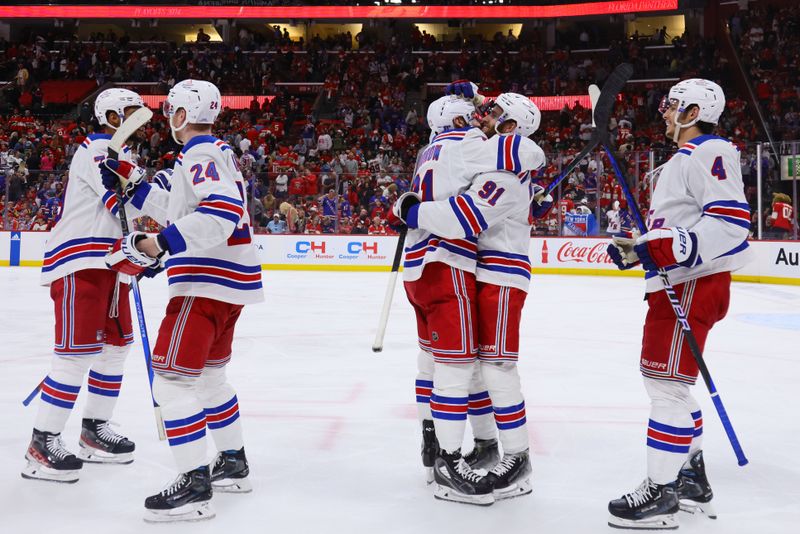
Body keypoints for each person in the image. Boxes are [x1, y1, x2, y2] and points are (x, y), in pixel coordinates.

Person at [101, 79, 264, 522]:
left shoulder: (200, 154)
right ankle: (232, 463)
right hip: (227, 285)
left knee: (172, 383)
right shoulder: (217, 153)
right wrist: (133, 182)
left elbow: (220, 213)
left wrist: (156, 246)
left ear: (178, 115)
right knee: (211, 380)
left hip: (202, 284)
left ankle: (194, 484)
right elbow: (182, 208)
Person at [392, 90, 551, 502]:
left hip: (500, 275)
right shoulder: (488, 155)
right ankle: (485, 445)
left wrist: (413, 212)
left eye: (495, 113)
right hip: (478, 270)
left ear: (512, 127)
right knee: (475, 368)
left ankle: (517, 458)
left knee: (495, 367)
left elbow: (465, 217)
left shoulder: (502, 170)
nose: (485, 116)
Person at [606, 78, 750, 530]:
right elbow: (677, 230)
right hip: (682, 280)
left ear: (692, 112)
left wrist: (665, 249)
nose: (664, 112)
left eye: (671, 106)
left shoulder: (709, 151)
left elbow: (731, 223)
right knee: (668, 384)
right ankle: (689, 479)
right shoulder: (686, 158)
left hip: (693, 282)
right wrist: (640, 249)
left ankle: (662, 492)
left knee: (666, 387)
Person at [21, 88, 146, 484]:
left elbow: (134, 208)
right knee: (75, 356)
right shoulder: (96, 148)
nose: (135, 118)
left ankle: (94, 432)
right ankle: (42, 444)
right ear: (109, 115)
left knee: (114, 349)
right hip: (80, 260)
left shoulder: (123, 155)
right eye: (127, 112)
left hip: (110, 263)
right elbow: (116, 202)